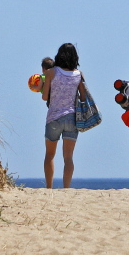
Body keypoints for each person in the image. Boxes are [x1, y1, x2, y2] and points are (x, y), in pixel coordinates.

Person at [40, 43, 82, 189]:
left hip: (53, 117)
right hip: (72, 118)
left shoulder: (51, 73)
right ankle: (66, 188)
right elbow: (83, 96)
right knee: (68, 157)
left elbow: (45, 97)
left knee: (50, 155)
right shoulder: (79, 74)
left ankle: (49, 187)